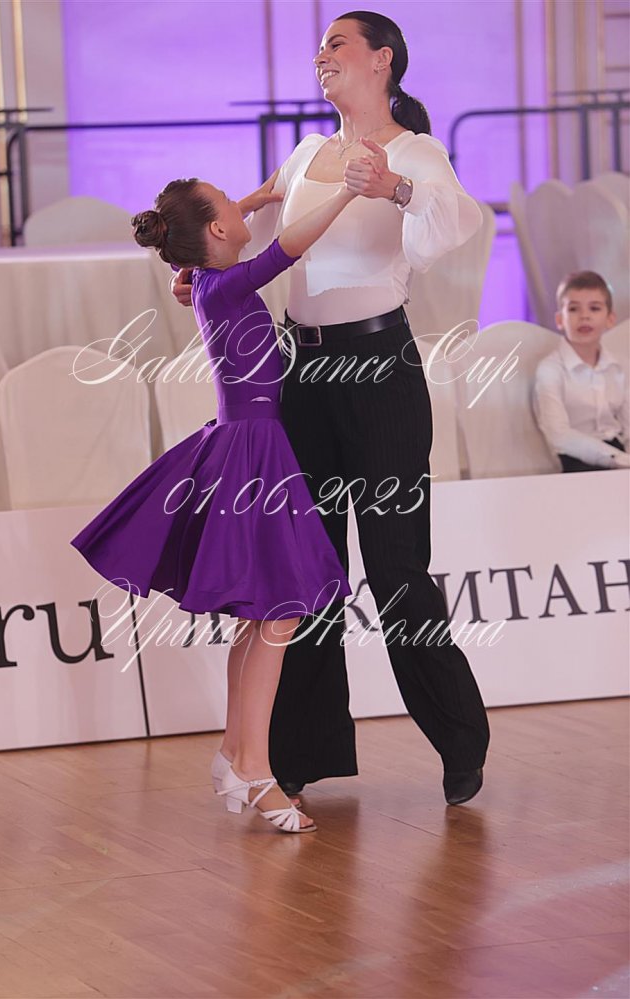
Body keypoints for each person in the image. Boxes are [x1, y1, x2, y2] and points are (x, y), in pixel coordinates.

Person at [172, 10, 491, 806]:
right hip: (302, 375)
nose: (323, 54)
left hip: (381, 371)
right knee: (309, 566)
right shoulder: (308, 151)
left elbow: (458, 219)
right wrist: (199, 268)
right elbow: (247, 220)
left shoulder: (414, 151)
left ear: (382, 61)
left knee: (395, 567)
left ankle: (461, 740)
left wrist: (395, 187)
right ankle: (301, 753)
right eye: (321, 46)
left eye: (338, 43)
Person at [70, 174, 363, 834]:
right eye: (230, 202)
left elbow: (229, 234)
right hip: (253, 453)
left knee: (262, 617)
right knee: (278, 615)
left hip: (251, 446)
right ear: (216, 231)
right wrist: (347, 195)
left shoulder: (203, 278)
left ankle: (237, 755)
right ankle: (254, 768)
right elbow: (287, 247)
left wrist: (253, 201)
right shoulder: (224, 283)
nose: (240, 202)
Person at [533, 270, 628, 472]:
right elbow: (558, 434)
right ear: (560, 319)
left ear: (610, 319)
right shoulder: (550, 370)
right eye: (574, 309)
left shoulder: (621, 367)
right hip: (575, 458)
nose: (584, 316)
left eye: (594, 308)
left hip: (619, 453)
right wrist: (618, 459)